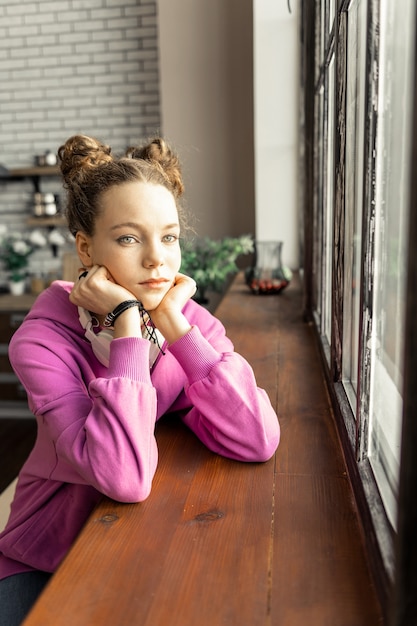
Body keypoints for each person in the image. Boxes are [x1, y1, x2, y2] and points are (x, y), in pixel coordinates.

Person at [0, 135, 280, 625]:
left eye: (169, 237)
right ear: (86, 248)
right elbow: (123, 478)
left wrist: (174, 325)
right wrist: (128, 326)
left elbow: (257, 438)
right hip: (43, 555)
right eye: (130, 238)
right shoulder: (42, 343)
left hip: (135, 536)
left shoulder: (183, 318)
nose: (157, 259)